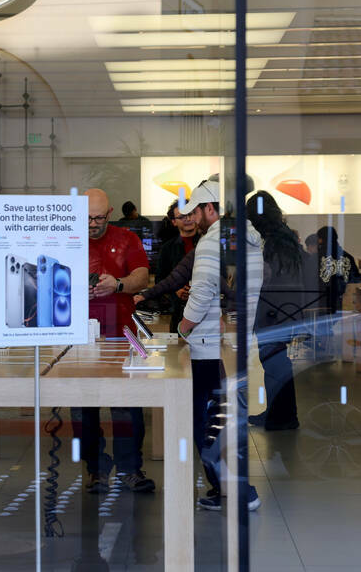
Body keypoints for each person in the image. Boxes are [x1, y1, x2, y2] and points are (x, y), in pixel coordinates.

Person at [175, 178, 261, 513]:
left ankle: (236, 488)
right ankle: (234, 487)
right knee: (222, 418)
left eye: (196, 210)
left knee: (205, 420)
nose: (192, 218)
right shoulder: (245, 235)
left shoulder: (213, 242)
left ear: (210, 208)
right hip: (232, 342)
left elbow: (203, 291)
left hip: (209, 345)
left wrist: (183, 329)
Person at [79, 188, 154, 493]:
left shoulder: (127, 239)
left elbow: (142, 275)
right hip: (81, 335)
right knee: (83, 406)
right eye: (86, 218)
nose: (93, 224)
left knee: (126, 405)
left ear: (109, 213)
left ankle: (130, 469)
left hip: (120, 332)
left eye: (98, 218)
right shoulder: (67, 237)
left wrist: (119, 284)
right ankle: (96, 469)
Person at [245, 191, 318, 431]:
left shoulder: (271, 241)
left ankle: (283, 417)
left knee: (275, 363)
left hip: (273, 311)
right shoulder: (285, 237)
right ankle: (278, 414)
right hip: (286, 310)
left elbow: (267, 277)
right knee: (277, 362)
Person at [133, 199, 199, 331]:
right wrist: (176, 290)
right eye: (182, 216)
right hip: (179, 311)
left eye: (190, 214)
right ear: (174, 221)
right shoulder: (167, 249)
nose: (188, 219)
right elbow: (160, 279)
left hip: (206, 311)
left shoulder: (208, 243)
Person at [316, 225, 361, 314]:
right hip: (344, 300)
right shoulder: (347, 256)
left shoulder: (317, 257)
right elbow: (355, 279)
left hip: (321, 300)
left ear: (320, 240)